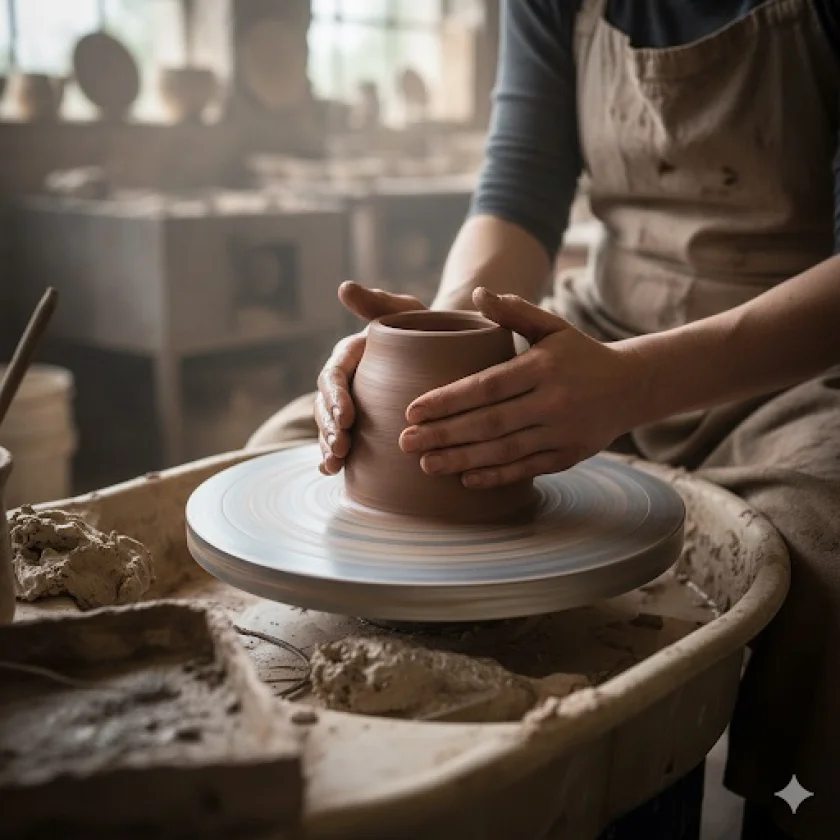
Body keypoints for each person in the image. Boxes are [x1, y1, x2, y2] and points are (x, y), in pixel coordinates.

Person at [250, 1, 840, 838]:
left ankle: (793, 817)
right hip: (598, 328)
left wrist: (633, 387)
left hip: (797, 357)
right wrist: (449, 336)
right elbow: (519, 187)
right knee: (281, 452)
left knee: (827, 541)